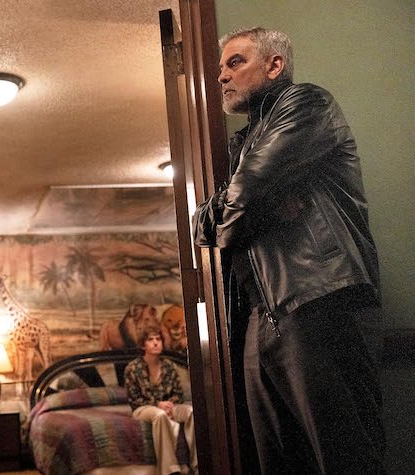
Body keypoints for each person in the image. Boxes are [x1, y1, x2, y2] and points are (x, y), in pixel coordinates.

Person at [193, 27, 384, 474]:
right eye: (221, 67)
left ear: (274, 65)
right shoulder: (242, 143)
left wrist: (240, 207)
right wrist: (251, 206)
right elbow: (201, 225)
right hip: (261, 318)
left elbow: (246, 192)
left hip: (318, 298)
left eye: (235, 62)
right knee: (279, 464)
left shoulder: (306, 104)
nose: (221, 76)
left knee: (346, 461)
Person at [124, 325, 197, 475]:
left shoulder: (169, 366)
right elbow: (134, 400)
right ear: (143, 345)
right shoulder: (132, 368)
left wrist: (170, 404)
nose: (155, 343)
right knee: (160, 415)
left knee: (190, 411)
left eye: (158, 339)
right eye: (150, 340)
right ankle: (170, 469)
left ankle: (198, 464)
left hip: (169, 406)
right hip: (143, 408)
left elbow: (179, 394)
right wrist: (158, 404)